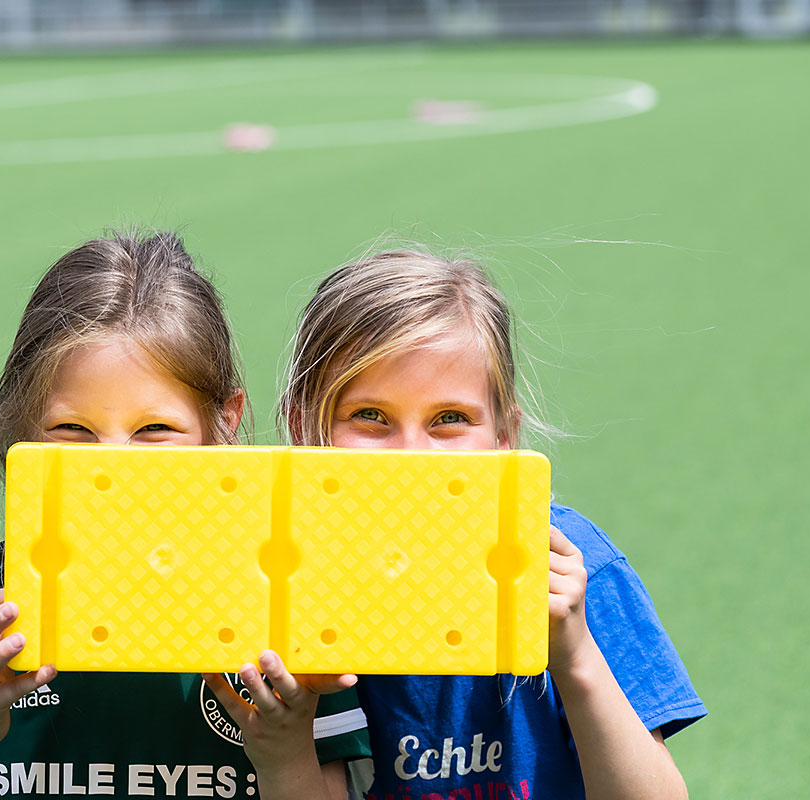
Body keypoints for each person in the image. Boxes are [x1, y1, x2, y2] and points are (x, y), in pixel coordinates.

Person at [0, 231, 369, 800]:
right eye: (74, 429)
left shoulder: (294, 612)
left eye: (154, 429)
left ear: (224, 423)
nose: (113, 464)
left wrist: (285, 753)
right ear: (21, 428)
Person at [279, 247, 706, 800]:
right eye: (371, 417)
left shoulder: (573, 567)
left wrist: (574, 657)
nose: (412, 456)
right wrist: (283, 745)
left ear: (504, 435)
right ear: (302, 425)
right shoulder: (286, 582)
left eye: (450, 419)